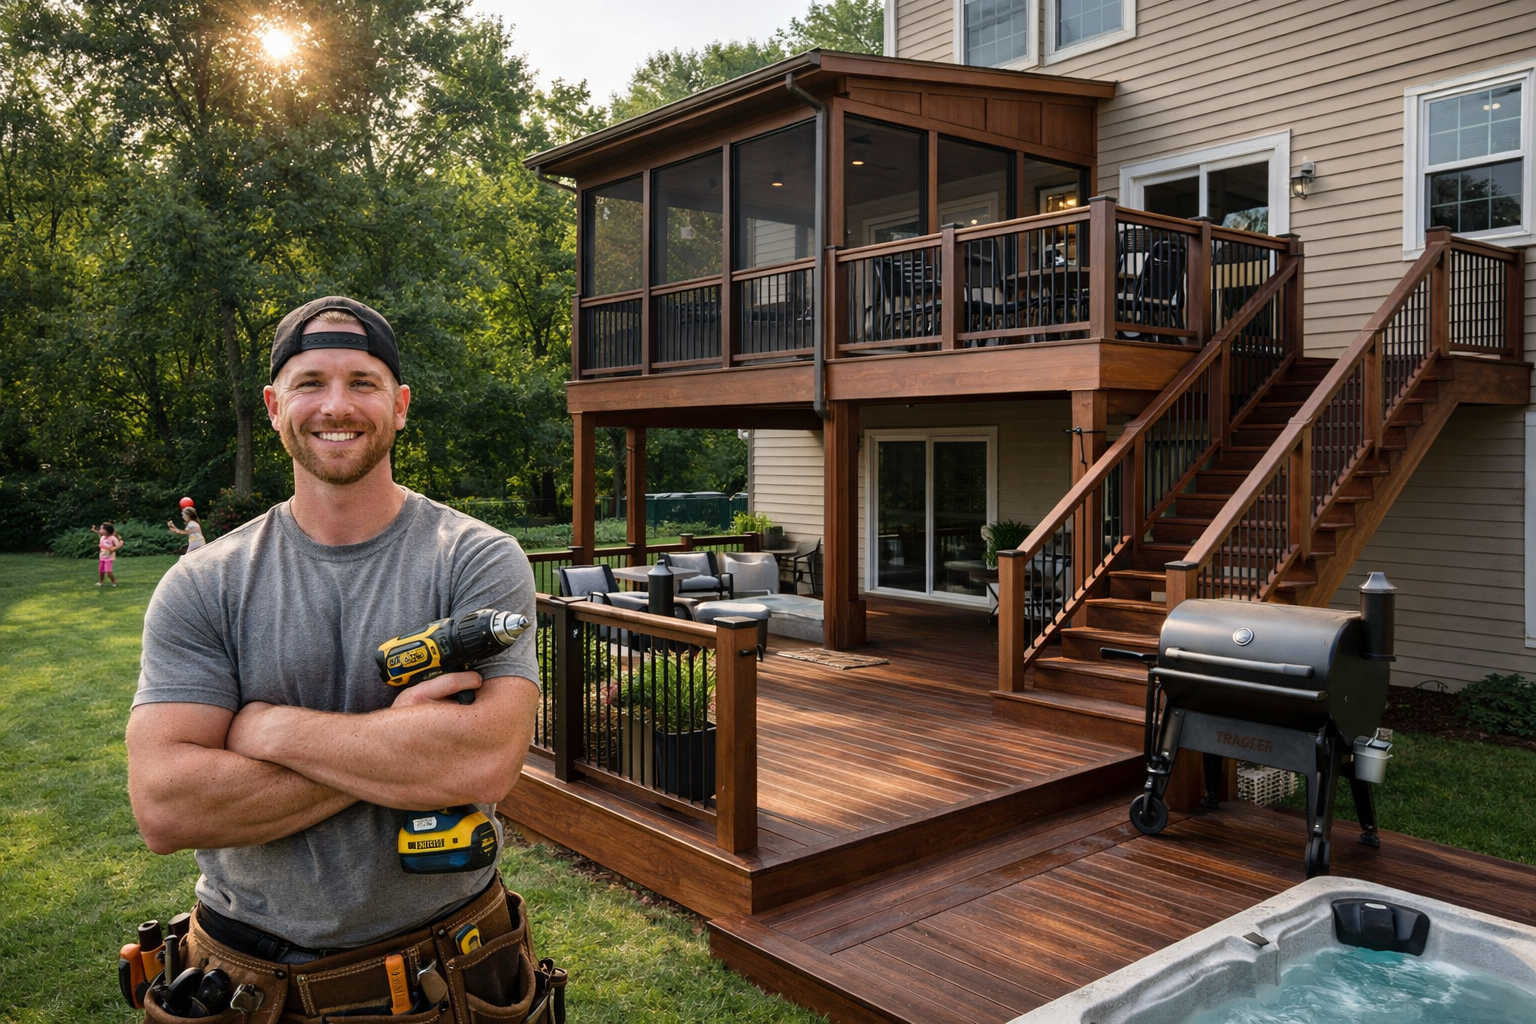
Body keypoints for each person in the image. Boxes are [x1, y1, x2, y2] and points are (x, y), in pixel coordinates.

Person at [126, 297, 555, 1020]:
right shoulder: (205, 584)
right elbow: (167, 806)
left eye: (362, 382)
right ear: (273, 404)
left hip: (449, 971)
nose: (337, 406)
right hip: (242, 984)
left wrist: (265, 730)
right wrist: (402, 747)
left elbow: (482, 763)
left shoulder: (476, 560)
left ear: (400, 404)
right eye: (310, 382)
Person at [91, 521, 123, 586]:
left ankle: (114, 582)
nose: (100, 530)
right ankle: (100, 582)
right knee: (101, 570)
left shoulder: (113, 538)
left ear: (107, 530)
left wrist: (113, 549)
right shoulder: (102, 537)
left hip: (109, 558)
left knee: (108, 572)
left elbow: (117, 546)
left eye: (102, 529)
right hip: (102, 557)